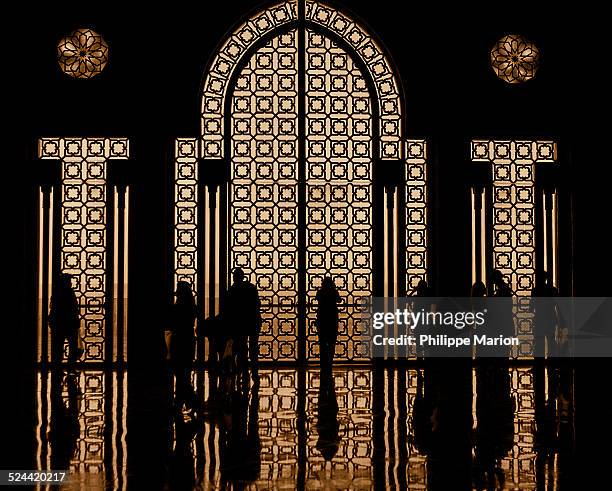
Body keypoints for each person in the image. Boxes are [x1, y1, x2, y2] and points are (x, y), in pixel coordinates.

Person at [225, 268, 261, 377]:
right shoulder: (251, 287)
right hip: (253, 320)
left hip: (240, 322)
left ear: (235, 277)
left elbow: (229, 307)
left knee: (242, 346)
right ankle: (254, 372)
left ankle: (242, 370)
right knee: (254, 347)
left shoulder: (232, 289)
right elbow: (257, 303)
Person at [169, 281, 197, 410]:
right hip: (189, 338)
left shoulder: (177, 307)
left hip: (178, 339)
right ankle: (188, 399)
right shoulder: (192, 306)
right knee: (185, 370)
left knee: (179, 371)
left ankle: (183, 400)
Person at [49, 273, 81, 363]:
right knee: (72, 346)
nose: (70, 283)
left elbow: (53, 309)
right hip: (69, 323)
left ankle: (58, 368)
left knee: (59, 346)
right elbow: (74, 308)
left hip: (59, 323)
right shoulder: (69, 293)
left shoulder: (56, 293)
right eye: (69, 281)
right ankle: (70, 367)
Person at [315, 277, 341, 373]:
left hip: (322, 319)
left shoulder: (320, 292)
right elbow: (339, 300)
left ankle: (323, 363)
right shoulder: (334, 292)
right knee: (331, 342)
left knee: (322, 342)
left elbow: (317, 300)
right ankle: (329, 363)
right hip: (332, 319)